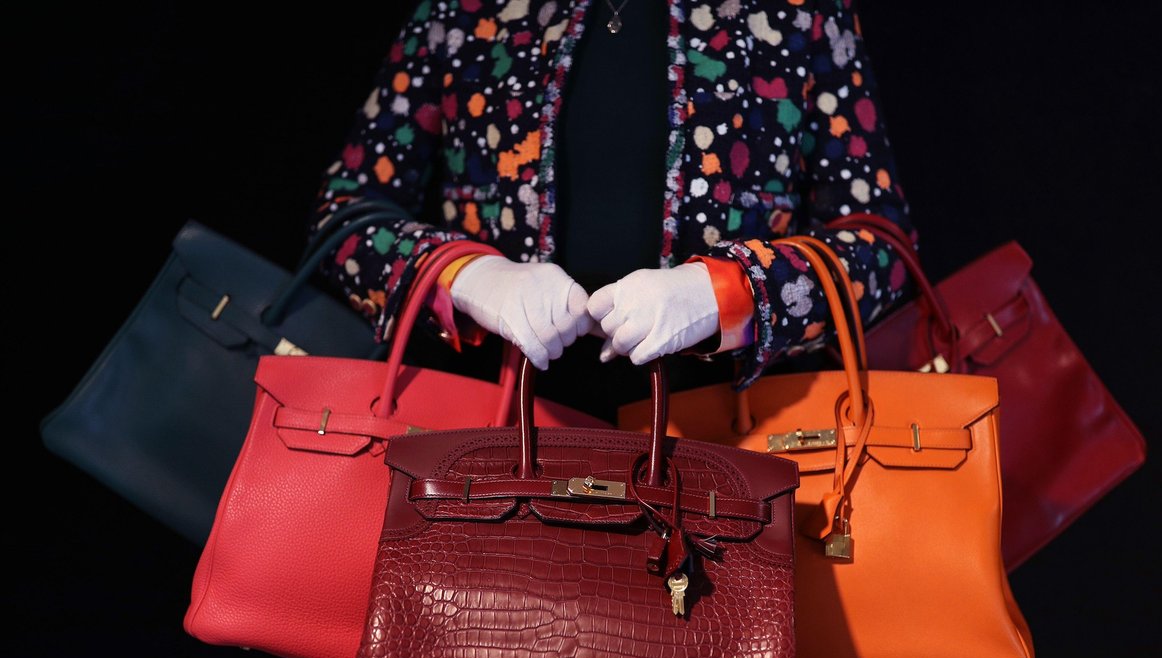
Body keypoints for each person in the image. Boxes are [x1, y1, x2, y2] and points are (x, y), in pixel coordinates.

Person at [307, 0, 915, 423]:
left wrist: (727, 293)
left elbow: (884, 246)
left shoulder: (800, 12)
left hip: (727, 452)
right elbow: (345, 212)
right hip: (483, 440)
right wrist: (469, 277)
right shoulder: (463, 9)